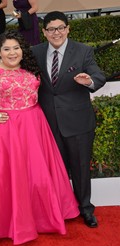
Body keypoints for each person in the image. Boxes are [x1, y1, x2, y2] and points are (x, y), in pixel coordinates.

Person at [0, 30, 79, 245]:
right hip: (5, 131)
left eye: (16, 48)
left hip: (35, 126)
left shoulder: (30, 66)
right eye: (7, 49)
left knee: (37, 173)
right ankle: (5, 223)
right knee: (4, 176)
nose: (12, 53)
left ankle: (40, 218)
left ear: (22, 49)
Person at [31, 11, 106, 228]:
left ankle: (85, 209)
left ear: (68, 29)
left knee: (81, 168)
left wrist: (89, 80)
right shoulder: (35, 52)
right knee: (55, 169)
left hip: (78, 122)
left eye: (61, 28)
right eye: (51, 29)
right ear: (44, 33)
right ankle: (60, 209)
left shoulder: (83, 51)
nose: (57, 33)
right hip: (47, 123)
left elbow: (98, 75)